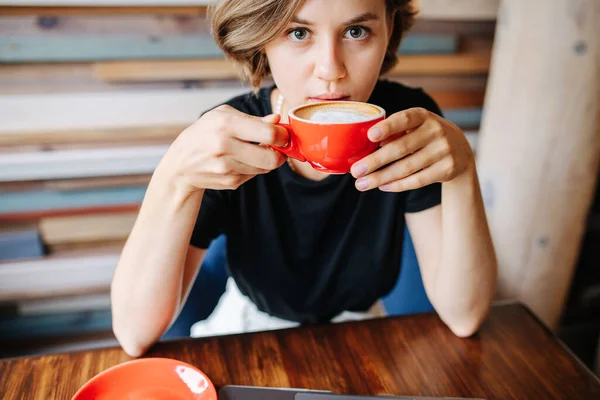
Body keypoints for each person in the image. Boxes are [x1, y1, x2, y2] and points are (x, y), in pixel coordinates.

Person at [111, 0, 498, 357]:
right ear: (262, 39)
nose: (331, 69)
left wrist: (462, 170)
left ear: (388, 27)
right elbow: (133, 332)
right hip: (252, 333)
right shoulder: (231, 137)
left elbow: (464, 316)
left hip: (364, 338)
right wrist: (173, 177)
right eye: (299, 33)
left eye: (356, 32)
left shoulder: (408, 127)